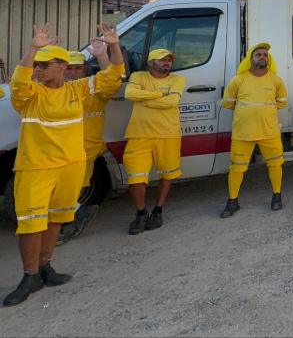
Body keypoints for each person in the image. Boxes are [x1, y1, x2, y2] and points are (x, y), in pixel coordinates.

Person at [5, 23, 123, 307]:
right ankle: (29, 274)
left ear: (62, 66)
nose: (38, 69)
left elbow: (114, 76)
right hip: (36, 167)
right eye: (38, 64)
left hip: (70, 165)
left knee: (57, 217)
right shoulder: (31, 94)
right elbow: (18, 83)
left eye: (45, 65)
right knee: (31, 225)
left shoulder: (79, 89)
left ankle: (45, 267)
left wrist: (113, 47)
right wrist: (33, 49)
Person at [57, 37, 124, 243]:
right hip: (57, 151)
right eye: (69, 68)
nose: (73, 72)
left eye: (78, 68)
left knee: (74, 188)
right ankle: (65, 220)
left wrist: (103, 55)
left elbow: (111, 78)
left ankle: (65, 225)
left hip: (85, 150)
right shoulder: (52, 90)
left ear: (85, 69)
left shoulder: (94, 89)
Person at [219, 43, 289, 218]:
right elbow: (227, 103)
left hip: (269, 131)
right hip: (243, 133)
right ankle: (232, 201)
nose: (262, 57)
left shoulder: (276, 80)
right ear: (250, 59)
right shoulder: (238, 79)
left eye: (265, 55)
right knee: (236, 168)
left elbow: (282, 102)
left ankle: (277, 196)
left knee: (275, 164)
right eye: (258, 54)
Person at [123, 48, 187, 235]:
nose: (167, 63)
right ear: (151, 62)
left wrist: (144, 99)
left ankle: (158, 210)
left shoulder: (178, 79)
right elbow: (129, 94)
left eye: (169, 60)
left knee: (167, 175)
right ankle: (141, 212)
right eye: (161, 60)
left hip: (168, 134)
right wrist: (159, 95)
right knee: (136, 179)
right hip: (138, 135)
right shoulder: (138, 76)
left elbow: (172, 102)